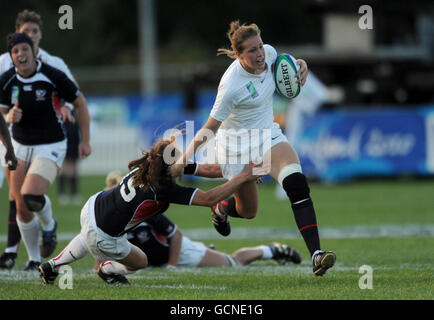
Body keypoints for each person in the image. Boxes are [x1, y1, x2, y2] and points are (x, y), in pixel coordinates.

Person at [171, 20, 336, 276]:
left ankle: (316, 254)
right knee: (248, 212)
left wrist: (302, 65)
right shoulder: (230, 87)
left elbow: (289, 64)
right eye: (251, 51)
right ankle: (222, 207)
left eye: (259, 46)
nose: (259, 54)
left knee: (296, 183)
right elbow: (209, 128)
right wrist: (183, 158)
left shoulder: (269, 53)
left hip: (268, 136)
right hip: (236, 147)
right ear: (238, 55)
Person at [38, 137, 262, 285]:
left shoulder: (149, 164)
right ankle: (108, 269)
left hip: (93, 206)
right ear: (168, 166)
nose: (183, 162)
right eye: (179, 159)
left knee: (89, 232)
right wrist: (244, 177)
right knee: (140, 262)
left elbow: (209, 169)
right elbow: (209, 198)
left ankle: (53, 265)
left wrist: (239, 171)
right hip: (104, 234)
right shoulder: (162, 188)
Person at [0, 32, 91, 271]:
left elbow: (79, 102)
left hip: (51, 144)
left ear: (33, 51)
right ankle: (33, 258)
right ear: (12, 57)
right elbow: (1, 115)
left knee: (30, 195)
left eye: (24, 49)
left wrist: (85, 140)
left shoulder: (53, 75)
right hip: (20, 144)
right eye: (16, 51)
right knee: (20, 204)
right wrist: (9, 116)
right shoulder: (7, 80)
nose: (21, 54)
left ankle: (49, 225)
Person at [101, 170, 301, 269]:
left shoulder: (145, 212)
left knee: (232, 263)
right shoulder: (111, 216)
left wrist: (171, 266)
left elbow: (176, 236)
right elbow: (104, 238)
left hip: (181, 254)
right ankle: (208, 249)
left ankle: (271, 250)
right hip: (153, 262)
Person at [57, 109, 82, 205]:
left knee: (74, 171)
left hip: (74, 146)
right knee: (63, 170)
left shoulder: (75, 113)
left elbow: (77, 131)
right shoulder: (61, 115)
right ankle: (62, 194)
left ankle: (74, 194)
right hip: (63, 145)